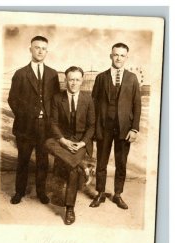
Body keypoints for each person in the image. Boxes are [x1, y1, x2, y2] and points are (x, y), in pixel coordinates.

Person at [8, 36, 60, 204]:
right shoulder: (20, 73)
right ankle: (19, 192)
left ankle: (41, 192)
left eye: (43, 48)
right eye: (37, 47)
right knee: (23, 160)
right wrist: (27, 116)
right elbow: (13, 99)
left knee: (43, 161)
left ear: (47, 51)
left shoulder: (52, 74)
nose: (40, 51)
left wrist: (50, 120)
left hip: (45, 127)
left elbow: (56, 101)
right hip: (25, 126)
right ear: (30, 49)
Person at [89, 43, 141, 209]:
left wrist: (134, 128)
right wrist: (95, 129)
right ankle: (100, 193)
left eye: (122, 55)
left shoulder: (132, 78)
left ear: (126, 57)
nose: (118, 58)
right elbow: (93, 105)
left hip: (124, 129)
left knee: (121, 163)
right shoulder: (101, 78)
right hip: (104, 127)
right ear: (110, 55)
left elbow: (137, 105)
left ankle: (118, 194)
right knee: (101, 163)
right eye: (116, 54)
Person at [45, 66, 95, 225]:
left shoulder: (88, 99)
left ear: (82, 81)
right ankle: (83, 166)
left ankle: (70, 209)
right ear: (65, 80)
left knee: (72, 170)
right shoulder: (57, 98)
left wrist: (81, 143)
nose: (73, 83)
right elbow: (53, 123)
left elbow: (92, 126)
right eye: (71, 79)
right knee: (47, 142)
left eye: (77, 80)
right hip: (64, 141)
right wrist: (63, 141)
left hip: (80, 142)